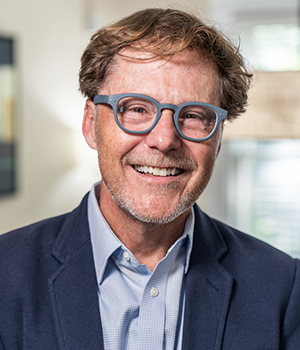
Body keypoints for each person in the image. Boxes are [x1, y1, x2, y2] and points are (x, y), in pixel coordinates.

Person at [0, 8, 299, 350]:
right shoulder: (4, 275)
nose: (164, 139)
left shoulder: (283, 289)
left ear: (217, 141)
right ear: (90, 124)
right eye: (137, 109)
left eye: (194, 115)